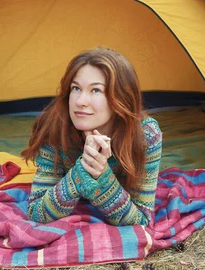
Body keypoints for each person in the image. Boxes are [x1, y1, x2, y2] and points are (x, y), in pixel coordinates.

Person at [21, 47, 162, 226]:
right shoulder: (55, 126)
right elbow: (36, 213)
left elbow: (142, 221)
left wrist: (102, 176)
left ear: (121, 97)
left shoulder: (146, 135)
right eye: (76, 88)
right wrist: (81, 172)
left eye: (95, 90)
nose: (80, 101)